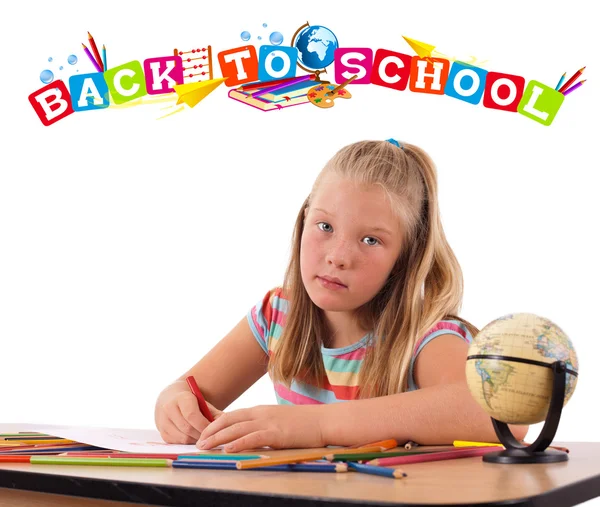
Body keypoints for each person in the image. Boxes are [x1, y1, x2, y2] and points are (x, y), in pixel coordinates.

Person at [154, 139, 529, 453]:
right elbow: (189, 391)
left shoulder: (426, 337)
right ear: (303, 223)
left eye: (371, 240)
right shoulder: (276, 316)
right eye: (325, 226)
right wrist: (173, 405)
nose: (337, 255)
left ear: (406, 257)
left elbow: (501, 414)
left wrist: (316, 426)